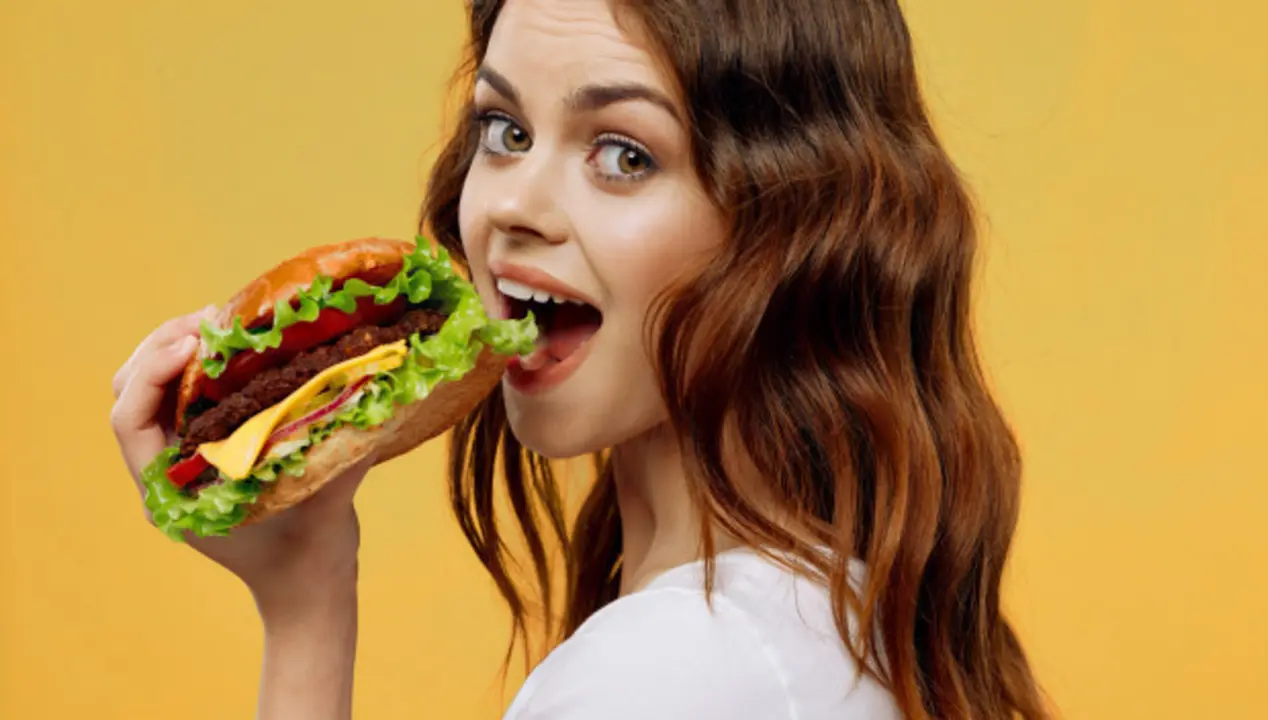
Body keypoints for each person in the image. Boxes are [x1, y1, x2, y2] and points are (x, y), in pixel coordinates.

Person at [110, 0, 1052, 718]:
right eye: (505, 132)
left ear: (789, 226)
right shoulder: (841, 610)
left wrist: (306, 621)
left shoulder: (666, 673)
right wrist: (310, 574)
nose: (514, 205)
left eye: (624, 154)